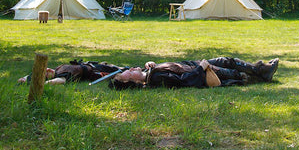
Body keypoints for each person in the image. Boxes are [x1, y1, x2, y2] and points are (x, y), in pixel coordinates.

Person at [110, 57, 279, 90]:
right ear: (133, 82)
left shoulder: (151, 73)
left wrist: (149, 66)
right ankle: (262, 73)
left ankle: (260, 69)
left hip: (195, 65)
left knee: (226, 60)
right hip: (201, 72)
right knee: (233, 71)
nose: (132, 68)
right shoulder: (157, 79)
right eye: (129, 73)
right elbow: (184, 80)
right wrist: (202, 68)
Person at [18, 60, 122, 85]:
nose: (48, 70)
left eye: (45, 69)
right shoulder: (61, 76)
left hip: (92, 64)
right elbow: (60, 81)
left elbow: (33, 74)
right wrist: (42, 84)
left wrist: (25, 77)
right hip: (97, 72)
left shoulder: (58, 69)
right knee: (122, 71)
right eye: (46, 73)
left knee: (111, 66)